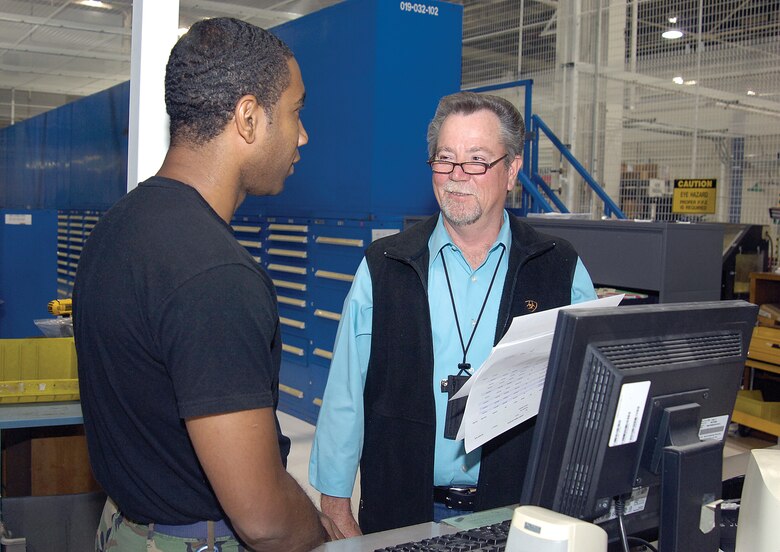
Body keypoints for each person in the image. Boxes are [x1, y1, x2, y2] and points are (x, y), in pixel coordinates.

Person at [73, 17, 340, 552]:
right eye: (295, 111)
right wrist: (321, 535)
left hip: (122, 527)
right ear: (248, 117)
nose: (302, 134)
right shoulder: (216, 277)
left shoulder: (118, 227)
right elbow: (262, 519)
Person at [308, 91, 598, 536]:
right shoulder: (385, 266)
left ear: (512, 171)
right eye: (445, 159)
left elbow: (585, 401)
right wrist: (335, 505)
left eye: (477, 160)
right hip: (401, 514)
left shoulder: (558, 267)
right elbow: (346, 394)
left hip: (518, 517)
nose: (457, 176)